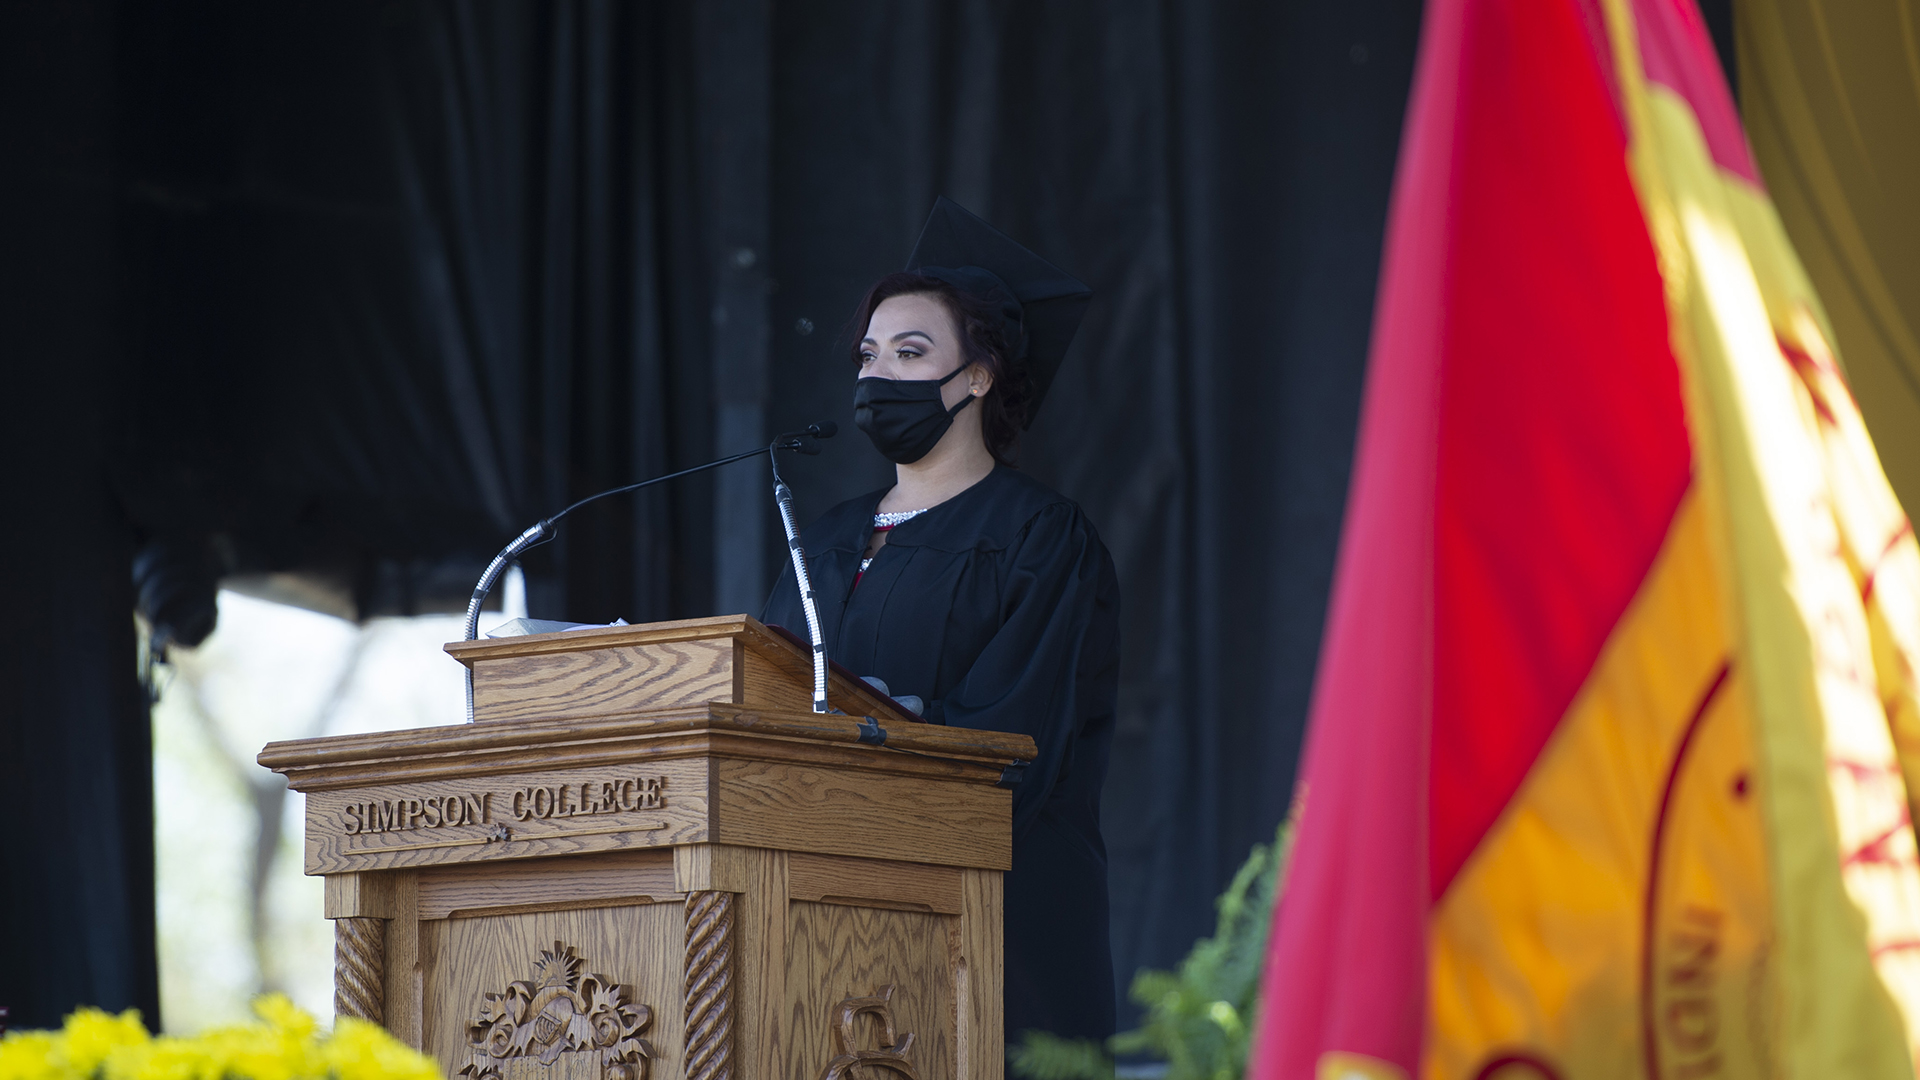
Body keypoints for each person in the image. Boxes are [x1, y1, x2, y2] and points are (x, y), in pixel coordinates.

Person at [762, 198, 1121, 1044]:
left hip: (997, 926)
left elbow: (1012, 744)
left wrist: (874, 732)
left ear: (978, 378)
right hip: (824, 923)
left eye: (911, 352)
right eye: (869, 355)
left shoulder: (1039, 537)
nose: (878, 375)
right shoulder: (824, 540)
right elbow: (768, 699)